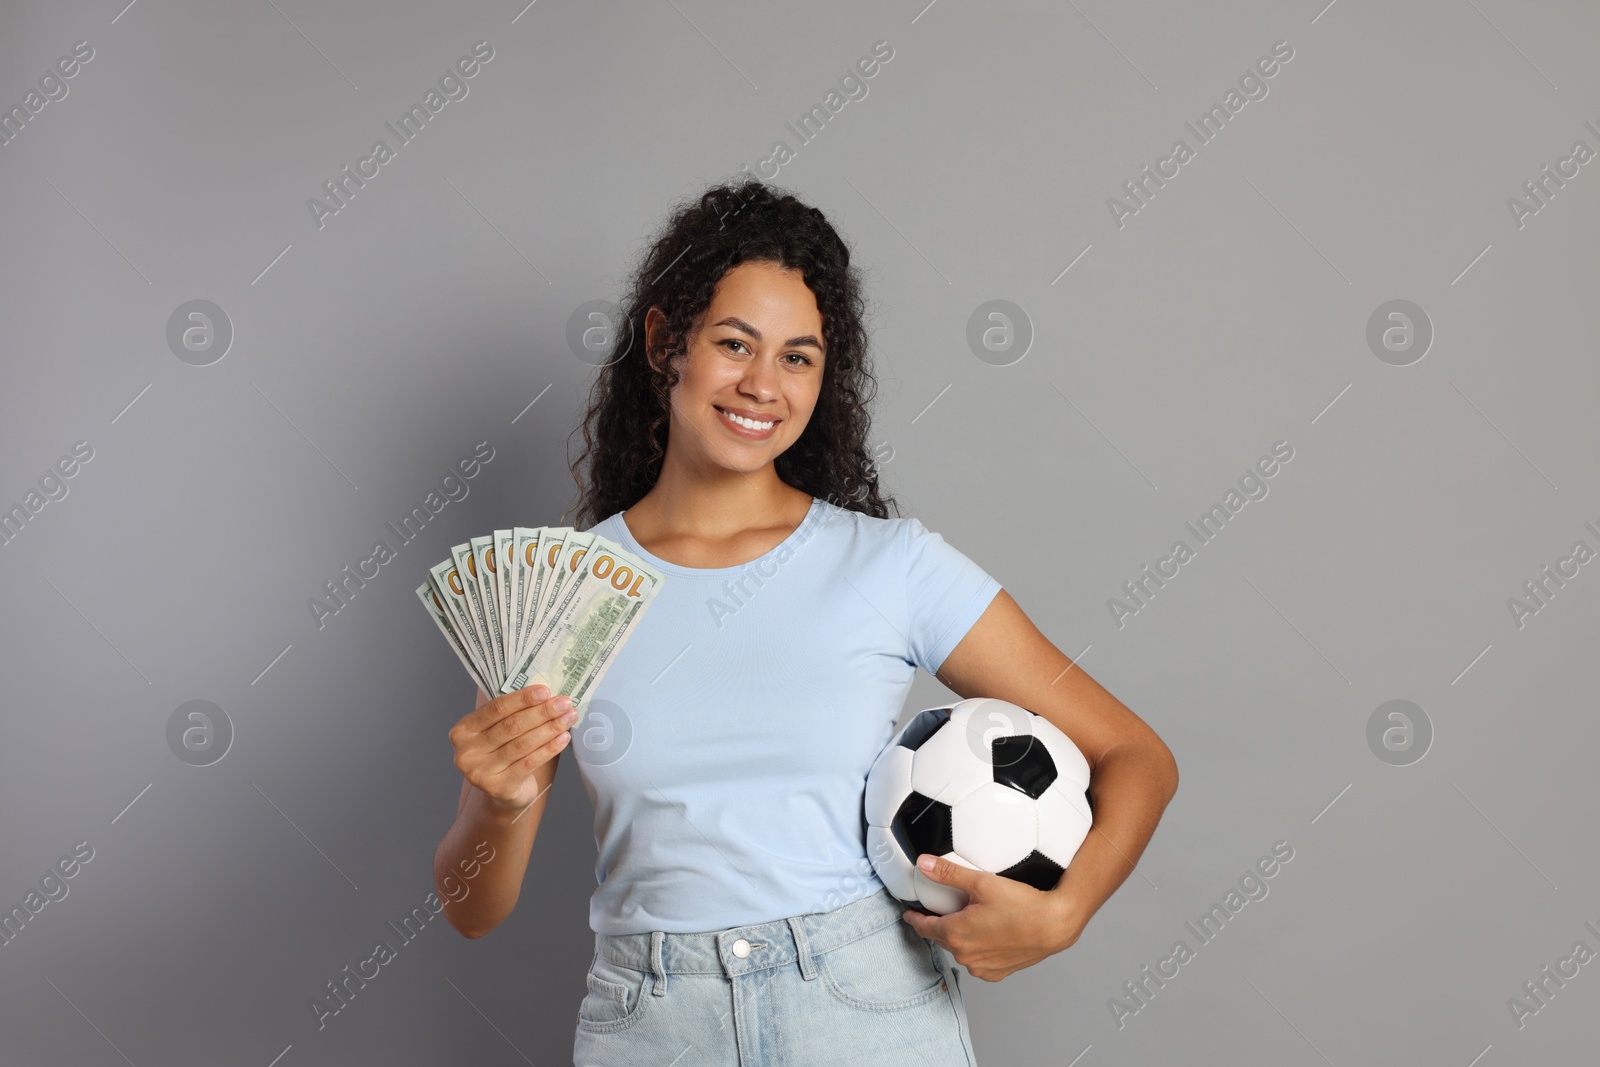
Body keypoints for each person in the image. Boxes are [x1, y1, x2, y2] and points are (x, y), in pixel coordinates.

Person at [431, 179, 1179, 1066]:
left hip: (863, 1011)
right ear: (666, 341)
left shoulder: (891, 565)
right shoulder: (555, 594)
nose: (762, 385)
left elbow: (1137, 756)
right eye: (734, 343)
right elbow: (472, 908)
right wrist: (497, 800)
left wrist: (1062, 912)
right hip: (655, 1024)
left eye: (797, 357)